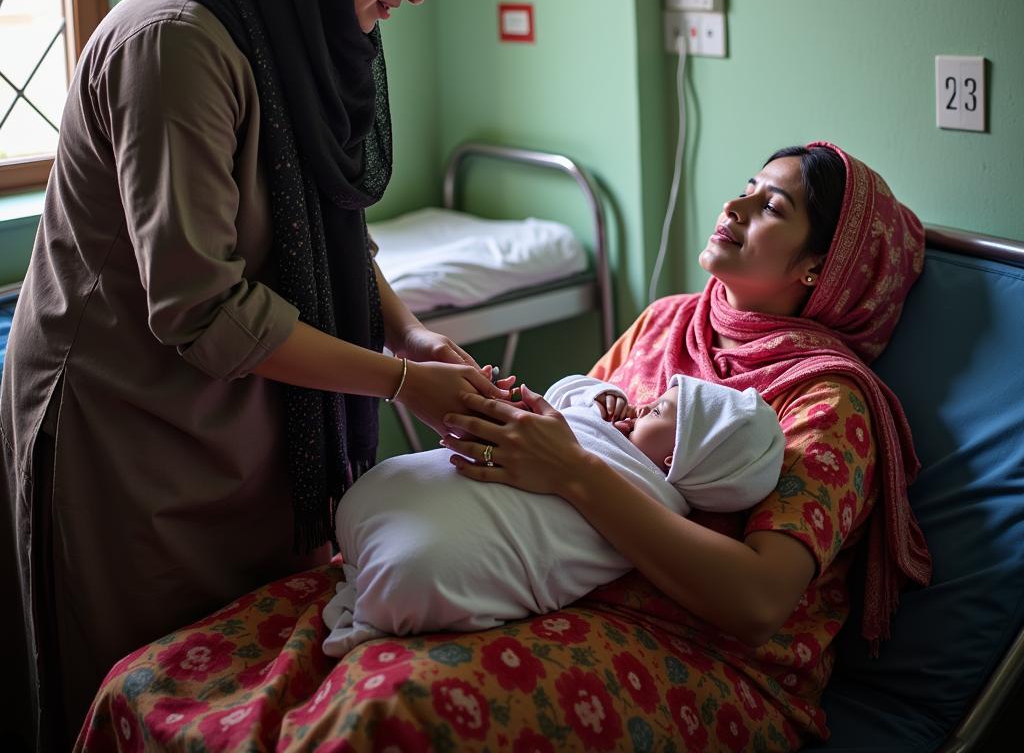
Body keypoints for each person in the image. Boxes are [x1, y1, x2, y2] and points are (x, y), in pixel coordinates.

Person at [70, 141, 933, 752]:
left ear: (824, 268)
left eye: (773, 205)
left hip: (705, 654)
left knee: (382, 716)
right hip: (541, 585)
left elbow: (755, 603)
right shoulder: (669, 321)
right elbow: (572, 437)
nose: (736, 202)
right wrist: (505, 420)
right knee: (155, 680)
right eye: (747, 183)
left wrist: (576, 473)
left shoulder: (827, 402)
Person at [0, 0, 504, 750]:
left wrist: (405, 328)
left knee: (235, 673)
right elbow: (203, 309)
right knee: (137, 681)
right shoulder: (175, 47)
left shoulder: (302, 36)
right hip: (130, 422)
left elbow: (326, 217)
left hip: (234, 404)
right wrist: (405, 383)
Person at [320, 372, 785, 656]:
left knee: (429, 559)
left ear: (675, 460)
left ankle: (375, 603)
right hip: (390, 516)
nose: (643, 403)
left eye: (659, 409)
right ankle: (374, 592)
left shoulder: (644, 499)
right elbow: (561, 395)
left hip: (406, 557)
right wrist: (599, 393)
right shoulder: (612, 417)